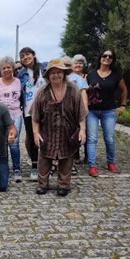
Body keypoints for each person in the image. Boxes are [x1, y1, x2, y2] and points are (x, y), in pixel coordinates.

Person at [32, 59, 87, 197]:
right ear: (48, 75)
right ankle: (42, 184)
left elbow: (80, 113)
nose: (56, 75)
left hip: (67, 131)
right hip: (47, 131)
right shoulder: (42, 92)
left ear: (64, 73)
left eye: (58, 72)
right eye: (52, 73)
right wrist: (35, 132)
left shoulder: (73, 89)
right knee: (44, 159)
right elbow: (35, 115)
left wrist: (82, 130)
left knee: (66, 158)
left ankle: (63, 185)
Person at [86, 49, 128, 177]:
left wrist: (123, 105)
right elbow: (84, 91)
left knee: (109, 138)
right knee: (92, 138)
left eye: (110, 56)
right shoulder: (91, 74)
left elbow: (124, 90)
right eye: (105, 55)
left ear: (112, 59)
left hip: (109, 111)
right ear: (100, 58)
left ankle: (111, 162)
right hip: (92, 111)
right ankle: (92, 166)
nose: (107, 58)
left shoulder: (116, 75)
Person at [17, 47, 46, 180]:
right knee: (33, 139)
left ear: (34, 55)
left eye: (28, 54)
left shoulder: (44, 68)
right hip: (29, 111)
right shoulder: (21, 74)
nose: (25, 57)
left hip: (46, 109)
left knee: (47, 137)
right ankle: (34, 166)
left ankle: (47, 164)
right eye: (22, 56)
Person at [0, 56, 23, 182]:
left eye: (8, 67)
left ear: (12, 68)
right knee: (2, 143)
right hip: (0, 116)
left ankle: (17, 169)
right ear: (0, 69)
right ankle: (4, 168)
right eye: (4, 67)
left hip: (16, 114)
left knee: (14, 143)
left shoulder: (18, 81)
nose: (6, 70)